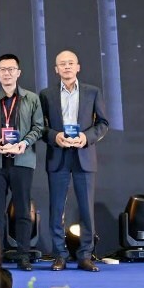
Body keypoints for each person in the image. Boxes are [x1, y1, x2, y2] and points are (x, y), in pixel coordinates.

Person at [40, 50, 109, 272]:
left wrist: (86, 137)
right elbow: (40, 127)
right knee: (56, 208)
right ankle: (59, 255)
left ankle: (85, 255)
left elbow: (103, 123)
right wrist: (55, 136)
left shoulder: (93, 92)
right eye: (62, 64)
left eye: (71, 63)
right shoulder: (46, 94)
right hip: (58, 156)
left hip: (84, 154)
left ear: (78, 67)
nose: (67, 67)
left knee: (86, 209)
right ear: (56, 69)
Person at [0, 53, 44, 272]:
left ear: (18, 72)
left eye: (11, 69)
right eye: (3, 69)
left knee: (23, 210)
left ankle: (23, 255)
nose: (7, 73)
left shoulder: (31, 99)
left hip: (22, 160)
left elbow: (39, 127)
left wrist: (24, 143)